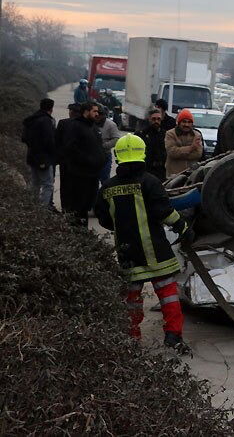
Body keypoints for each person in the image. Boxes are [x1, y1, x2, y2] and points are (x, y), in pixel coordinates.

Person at [96, 134, 191, 351]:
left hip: (128, 254)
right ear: (142, 155)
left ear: (118, 157)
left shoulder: (107, 188)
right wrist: (183, 227)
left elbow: (104, 219)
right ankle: (173, 337)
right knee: (167, 294)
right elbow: (164, 212)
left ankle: (132, 339)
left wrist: (122, 226)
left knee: (131, 299)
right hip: (156, 252)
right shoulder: (150, 182)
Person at [58, 101, 105, 226]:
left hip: (93, 175)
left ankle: (83, 233)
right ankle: (76, 233)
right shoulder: (75, 126)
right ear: (86, 111)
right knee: (77, 208)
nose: (97, 114)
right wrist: (88, 160)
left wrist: (100, 159)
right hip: (79, 175)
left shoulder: (94, 128)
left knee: (86, 207)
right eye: (94, 111)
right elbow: (70, 148)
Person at [22, 98, 56, 207]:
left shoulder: (32, 119)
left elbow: (24, 138)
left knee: (35, 183)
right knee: (48, 184)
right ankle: (43, 210)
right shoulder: (46, 120)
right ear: (51, 108)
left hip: (32, 156)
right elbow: (49, 141)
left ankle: (30, 206)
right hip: (43, 158)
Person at [165, 109, 204, 177]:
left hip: (191, 174)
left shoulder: (197, 135)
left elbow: (198, 154)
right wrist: (191, 148)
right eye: (184, 122)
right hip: (173, 174)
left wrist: (180, 153)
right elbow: (172, 152)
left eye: (189, 122)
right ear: (179, 122)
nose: (186, 124)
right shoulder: (170, 134)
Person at [96, 104, 123, 185]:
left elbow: (116, 139)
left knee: (105, 179)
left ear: (105, 115)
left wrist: (104, 146)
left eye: (101, 114)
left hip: (105, 155)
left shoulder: (111, 125)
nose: (98, 116)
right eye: (97, 114)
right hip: (92, 155)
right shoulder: (92, 122)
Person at [138, 107, 168, 181]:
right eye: (154, 119)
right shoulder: (142, 134)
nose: (156, 121)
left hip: (161, 171)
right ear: (149, 119)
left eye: (158, 119)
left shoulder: (165, 134)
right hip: (146, 169)